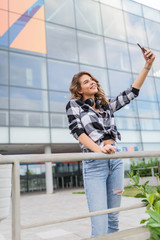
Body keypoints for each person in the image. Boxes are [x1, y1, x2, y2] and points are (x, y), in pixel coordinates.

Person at [66, 47, 155, 237]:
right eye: (86, 81)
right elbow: (78, 133)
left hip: (115, 162)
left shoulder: (106, 107)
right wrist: (100, 150)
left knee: (113, 220)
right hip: (95, 164)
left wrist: (148, 65)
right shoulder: (74, 106)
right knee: (99, 222)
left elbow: (131, 92)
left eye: (92, 80)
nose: (91, 82)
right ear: (79, 90)